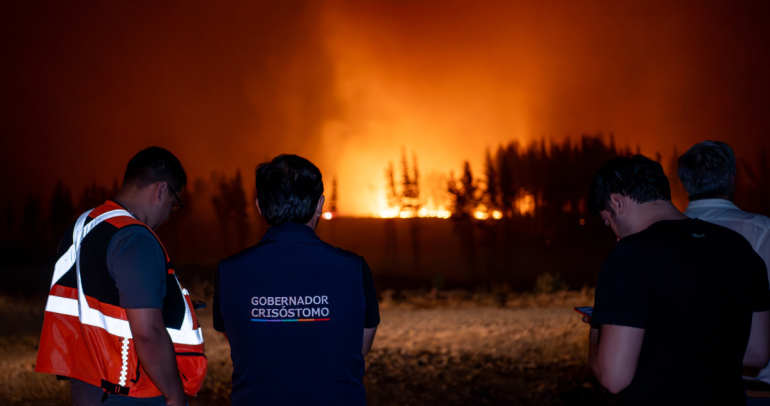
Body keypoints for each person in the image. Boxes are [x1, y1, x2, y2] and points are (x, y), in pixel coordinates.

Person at [584, 154, 770, 405]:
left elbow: (612, 376)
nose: (615, 236)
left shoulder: (631, 254)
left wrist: (597, 328)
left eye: (608, 222)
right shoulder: (737, 246)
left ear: (617, 202)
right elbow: (757, 354)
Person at [35, 147, 207, 406]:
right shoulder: (135, 238)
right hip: (131, 391)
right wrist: (174, 396)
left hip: (87, 388)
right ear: (161, 190)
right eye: (174, 205)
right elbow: (148, 331)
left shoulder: (81, 226)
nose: (169, 216)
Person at [213, 154, 380, 406]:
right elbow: (362, 345)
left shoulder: (229, 271)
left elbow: (238, 335)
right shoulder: (354, 268)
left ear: (260, 207)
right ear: (320, 204)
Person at [678, 140, 770, 403]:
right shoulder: (762, 232)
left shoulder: (661, 237)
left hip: (682, 386)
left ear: (685, 184)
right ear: (732, 180)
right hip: (754, 390)